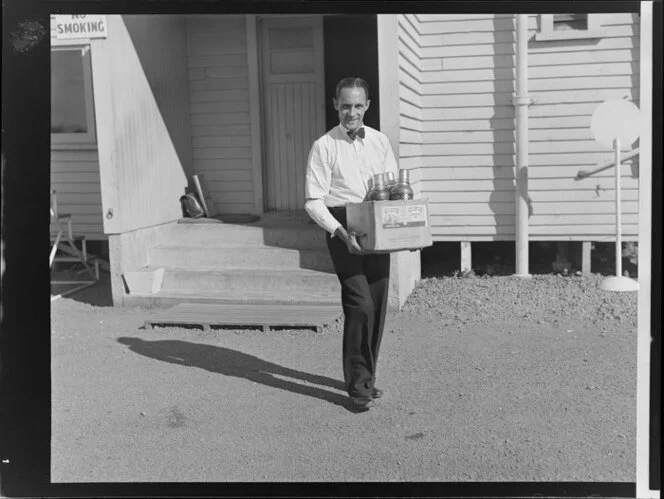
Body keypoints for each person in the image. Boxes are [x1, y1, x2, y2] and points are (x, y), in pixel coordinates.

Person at [304, 77, 398, 410]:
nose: (352, 113)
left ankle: (366, 379)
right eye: (346, 106)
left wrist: (402, 233)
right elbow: (313, 201)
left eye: (358, 106)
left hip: (375, 221)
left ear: (367, 106)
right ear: (335, 105)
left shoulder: (380, 141)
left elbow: (391, 191)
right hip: (341, 225)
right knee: (360, 305)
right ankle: (358, 387)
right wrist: (341, 233)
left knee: (377, 303)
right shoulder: (324, 146)